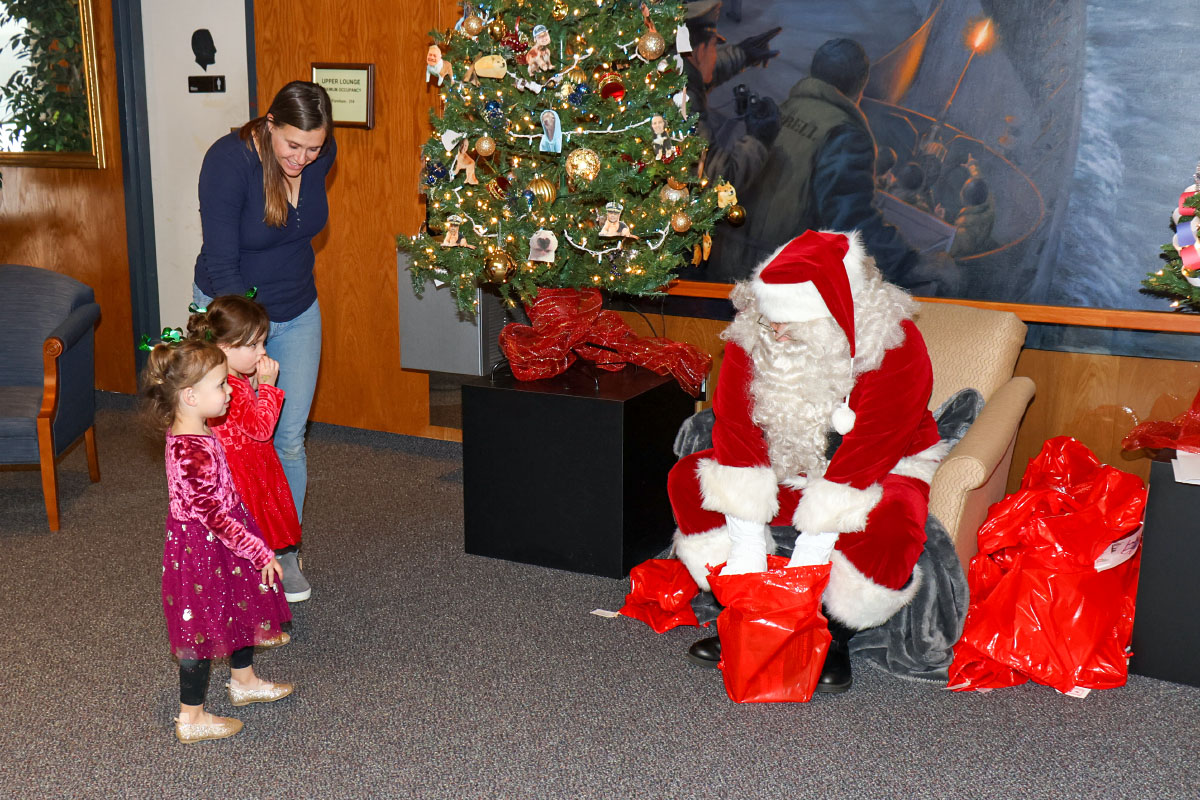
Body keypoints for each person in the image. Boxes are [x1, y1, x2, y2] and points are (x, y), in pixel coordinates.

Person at [668, 229, 945, 692]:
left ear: (834, 315)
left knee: (894, 520)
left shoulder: (894, 343)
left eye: (790, 324)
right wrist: (747, 554)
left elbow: (873, 446)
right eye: (771, 320)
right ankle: (747, 613)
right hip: (785, 458)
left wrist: (807, 566)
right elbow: (736, 429)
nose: (776, 332)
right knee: (687, 480)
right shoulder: (752, 332)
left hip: (881, 463)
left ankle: (831, 630)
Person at [193, 81, 335, 530]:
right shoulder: (228, 162)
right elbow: (222, 264)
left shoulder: (321, 155)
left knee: (288, 438)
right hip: (235, 317)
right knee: (236, 442)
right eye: (293, 145)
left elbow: (299, 229)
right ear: (270, 123)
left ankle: (284, 546)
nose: (302, 158)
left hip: (298, 309)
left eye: (313, 148)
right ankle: (238, 546)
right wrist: (248, 343)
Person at [714, 39, 960, 295]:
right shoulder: (844, 134)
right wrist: (909, 264)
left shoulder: (784, 110)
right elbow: (850, 219)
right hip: (779, 284)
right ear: (861, 84)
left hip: (729, 264)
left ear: (814, 72)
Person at [141, 338, 294, 743]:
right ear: (190, 396)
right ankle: (191, 717)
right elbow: (213, 516)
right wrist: (259, 550)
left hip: (222, 542)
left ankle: (244, 680)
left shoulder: (197, 430)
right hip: (204, 549)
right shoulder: (189, 450)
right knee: (200, 627)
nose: (229, 391)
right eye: (222, 385)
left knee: (240, 605)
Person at [188, 295, 311, 602]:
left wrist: (253, 383)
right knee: (251, 527)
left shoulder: (223, 378)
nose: (262, 351)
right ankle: (251, 585)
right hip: (243, 473)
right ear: (224, 347)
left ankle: (248, 580)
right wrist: (267, 386)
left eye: (262, 343)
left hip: (245, 466)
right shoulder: (232, 386)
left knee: (246, 531)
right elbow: (261, 429)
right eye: (254, 345)